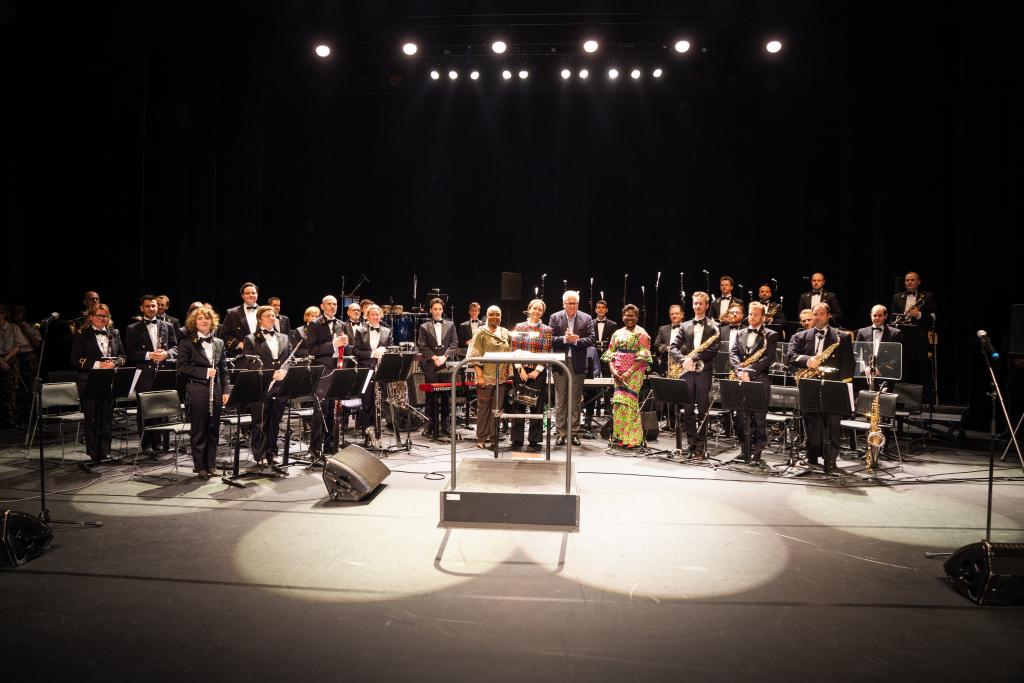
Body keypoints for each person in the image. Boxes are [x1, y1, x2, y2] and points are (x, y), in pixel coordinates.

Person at [786, 302, 855, 473]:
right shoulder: (800, 336)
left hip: (833, 386)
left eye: (821, 314)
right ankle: (812, 457)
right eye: (815, 314)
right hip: (809, 384)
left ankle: (830, 460)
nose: (817, 317)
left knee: (832, 425)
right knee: (812, 423)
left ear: (829, 315)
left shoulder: (842, 337)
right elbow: (791, 357)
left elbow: (848, 365)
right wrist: (807, 360)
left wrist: (843, 389)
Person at [176, 305, 230, 478]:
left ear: (212, 321)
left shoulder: (219, 343)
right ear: (194, 322)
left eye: (207, 318)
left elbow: (224, 370)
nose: (204, 321)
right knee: (199, 430)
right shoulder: (186, 343)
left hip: (217, 391)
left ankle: (211, 465)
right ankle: (200, 467)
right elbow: (181, 367)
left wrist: (226, 391)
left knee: (213, 429)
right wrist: (205, 373)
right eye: (200, 318)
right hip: (197, 391)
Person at [70, 304, 125, 466]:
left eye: (105, 316)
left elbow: (122, 354)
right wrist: (98, 365)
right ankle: (94, 454)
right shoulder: (82, 334)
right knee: (92, 419)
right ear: (91, 317)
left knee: (107, 419)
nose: (102, 319)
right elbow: (74, 358)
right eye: (99, 316)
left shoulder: (114, 333)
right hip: (89, 381)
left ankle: (105, 451)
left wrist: (115, 363)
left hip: (109, 381)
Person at [125, 294, 178, 456]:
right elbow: (131, 353)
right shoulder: (132, 328)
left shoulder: (167, 325)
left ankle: (159, 441)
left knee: (163, 408)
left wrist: (167, 354)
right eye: (148, 306)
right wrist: (149, 355)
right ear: (142, 308)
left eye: (154, 306)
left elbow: (176, 347)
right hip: (144, 373)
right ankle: (145, 443)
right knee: (145, 409)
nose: (152, 309)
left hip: (163, 372)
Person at [669, 292, 721, 458]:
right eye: (695, 303)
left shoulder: (714, 327)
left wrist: (693, 357)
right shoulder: (684, 326)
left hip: (703, 372)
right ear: (692, 305)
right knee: (688, 408)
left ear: (706, 306)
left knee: (703, 409)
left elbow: (713, 350)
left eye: (700, 303)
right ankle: (692, 444)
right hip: (687, 371)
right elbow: (673, 347)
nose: (697, 306)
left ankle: (701, 444)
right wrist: (683, 360)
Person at [728, 302, 778, 463]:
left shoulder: (770, 335)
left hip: (759, 381)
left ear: (763, 317)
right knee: (741, 418)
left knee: (758, 419)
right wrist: (739, 371)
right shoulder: (740, 332)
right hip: (741, 379)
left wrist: (749, 371)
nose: (751, 317)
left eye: (755, 314)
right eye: (750, 314)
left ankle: (757, 451)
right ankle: (745, 449)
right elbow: (733, 353)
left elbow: (767, 358)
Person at [242, 306, 291, 466]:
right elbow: (251, 363)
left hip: (281, 385)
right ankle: (260, 454)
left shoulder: (284, 337)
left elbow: (289, 358)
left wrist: (284, 370)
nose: (272, 318)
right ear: (259, 319)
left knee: (275, 422)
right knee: (260, 422)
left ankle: (272, 452)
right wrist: (271, 374)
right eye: (268, 315)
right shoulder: (250, 339)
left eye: (273, 315)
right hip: (262, 385)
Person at [602, 304, 652, 448]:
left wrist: (629, 371)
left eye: (632, 315)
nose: (629, 318)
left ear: (637, 317)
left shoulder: (642, 334)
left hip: (634, 372)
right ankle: (620, 436)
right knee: (618, 404)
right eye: (627, 315)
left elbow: (643, 356)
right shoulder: (617, 333)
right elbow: (610, 353)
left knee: (630, 403)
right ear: (622, 316)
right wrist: (613, 370)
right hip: (618, 373)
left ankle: (633, 439)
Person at [304, 295, 349, 456]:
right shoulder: (315, 324)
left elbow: (346, 350)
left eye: (335, 304)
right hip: (322, 371)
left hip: (338, 370)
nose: (333, 306)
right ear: (322, 306)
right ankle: (315, 448)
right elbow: (312, 350)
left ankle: (330, 446)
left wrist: (346, 344)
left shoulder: (341, 324)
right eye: (329, 304)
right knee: (320, 410)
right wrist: (333, 345)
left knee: (333, 410)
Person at [548, 290, 595, 447]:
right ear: (564, 304)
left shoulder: (587, 318)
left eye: (574, 303)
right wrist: (564, 339)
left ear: (578, 304)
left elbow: (591, 339)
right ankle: (561, 433)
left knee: (575, 400)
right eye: (569, 303)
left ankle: (574, 432)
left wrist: (576, 341)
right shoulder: (555, 317)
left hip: (578, 363)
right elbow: (549, 339)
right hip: (560, 363)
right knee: (561, 399)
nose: (572, 305)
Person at [509, 299, 554, 450]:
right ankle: (516, 438)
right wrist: (519, 368)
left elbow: (547, 351)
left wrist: (537, 370)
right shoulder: (519, 327)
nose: (537, 311)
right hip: (520, 370)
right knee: (518, 403)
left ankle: (534, 439)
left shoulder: (547, 330)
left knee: (537, 404)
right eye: (534, 308)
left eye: (540, 310)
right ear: (529, 309)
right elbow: (514, 348)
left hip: (538, 372)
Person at [467, 305, 511, 449]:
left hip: (501, 378)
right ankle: (481, 438)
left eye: (497, 314)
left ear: (501, 317)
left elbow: (512, 350)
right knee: (484, 409)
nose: (495, 317)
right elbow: (475, 355)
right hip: (485, 377)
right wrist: (479, 376)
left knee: (496, 410)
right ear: (486, 316)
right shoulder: (480, 332)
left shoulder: (505, 332)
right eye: (492, 314)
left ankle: (494, 438)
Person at [890, 271, 936, 401]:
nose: (909, 282)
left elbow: (934, 317)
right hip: (902, 337)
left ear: (918, 282)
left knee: (923, 370)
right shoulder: (897, 297)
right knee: (902, 370)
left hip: (919, 338)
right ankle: (901, 401)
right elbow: (892, 318)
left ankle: (927, 402)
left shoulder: (927, 296)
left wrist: (919, 315)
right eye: (907, 280)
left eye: (912, 280)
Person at [350, 304, 392, 446]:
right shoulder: (360, 331)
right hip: (366, 370)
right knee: (367, 402)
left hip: (381, 371)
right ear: (367, 316)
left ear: (381, 315)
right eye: (372, 314)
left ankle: (378, 434)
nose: (375, 317)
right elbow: (355, 351)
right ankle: (367, 435)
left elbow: (391, 349)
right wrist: (372, 354)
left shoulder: (387, 331)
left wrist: (384, 351)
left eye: (377, 314)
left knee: (379, 403)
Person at [417, 297, 459, 439]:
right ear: (430, 310)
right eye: (435, 309)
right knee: (430, 396)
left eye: (440, 309)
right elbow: (422, 345)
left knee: (446, 395)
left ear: (442, 310)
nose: (437, 311)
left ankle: (445, 425)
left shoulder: (451, 325)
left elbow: (454, 343)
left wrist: (444, 357)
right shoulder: (423, 327)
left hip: (446, 365)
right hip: (431, 365)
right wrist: (435, 358)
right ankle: (430, 424)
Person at [0, 305, 30, 429]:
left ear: (4, 314)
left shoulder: (13, 327)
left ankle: (12, 419)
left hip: (9, 358)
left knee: (12, 389)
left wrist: (5, 359)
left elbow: (18, 346)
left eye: (1, 312)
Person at [855, 305, 904, 380]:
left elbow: (897, 356)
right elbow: (856, 353)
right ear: (871, 316)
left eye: (880, 315)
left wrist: (880, 370)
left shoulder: (895, 333)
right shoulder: (862, 332)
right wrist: (864, 367)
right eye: (874, 315)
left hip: (887, 375)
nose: (877, 318)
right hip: (866, 374)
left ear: (886, 316)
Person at [220, 282, 260, 353]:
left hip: (263, 355)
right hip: (241, 355)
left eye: (253, 293)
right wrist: (239, 344)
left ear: (257, 294)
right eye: (247, 293)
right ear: (242, 296)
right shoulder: (232, 313)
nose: (251, 295)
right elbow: (224, 335)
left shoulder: (265, 312)